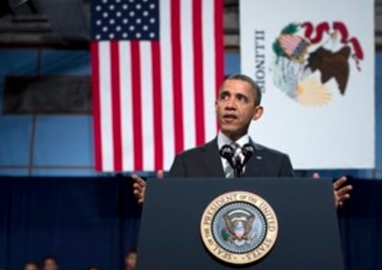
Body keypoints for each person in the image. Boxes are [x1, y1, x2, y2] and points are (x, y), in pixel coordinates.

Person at [132, 74, 353, 206]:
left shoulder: (277, 164)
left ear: (257, 112)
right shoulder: (186, 162)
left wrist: (319, 208)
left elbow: (289, 217)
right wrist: (157, 206)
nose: (230, 104)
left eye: (241, 99)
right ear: (216, 105)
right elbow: (174, 221)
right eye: (224, 97)